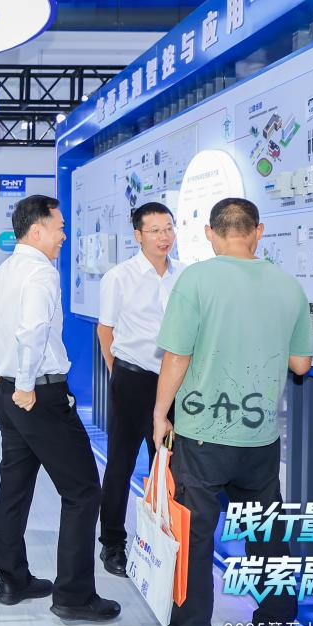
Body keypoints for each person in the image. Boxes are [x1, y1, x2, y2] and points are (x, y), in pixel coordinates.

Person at [147, 197, 312, 626]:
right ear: (257, 232)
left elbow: (176, 357)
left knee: (195, 538)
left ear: (210, 233)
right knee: (268, 538)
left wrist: (160, 413)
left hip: (202, 434)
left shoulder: (196, 280)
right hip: (259, 437)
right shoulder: (288, 285)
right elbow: (301, 364)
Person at [0, 195, 120, 623]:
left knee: (14, 489)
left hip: (11, 396)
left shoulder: (2, 273)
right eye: (59, 227)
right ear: (36, 230)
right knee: (82, 491)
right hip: (37, 395)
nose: (64, 236)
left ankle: (13, 580)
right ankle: (74, 596)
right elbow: (33, 330)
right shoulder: (41, 272)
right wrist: (23, 384)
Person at [95, 202, 183, 577]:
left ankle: (166, 542)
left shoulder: (184, 275)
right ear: (138, 235)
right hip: (133, 378)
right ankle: (113, 543)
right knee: (122, 463)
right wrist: (119, 375)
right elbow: (106, 331)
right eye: (155, 230)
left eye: (169, 228)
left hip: (174, 381)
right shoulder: (119, 277)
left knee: (170, 463)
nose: (164, 237)